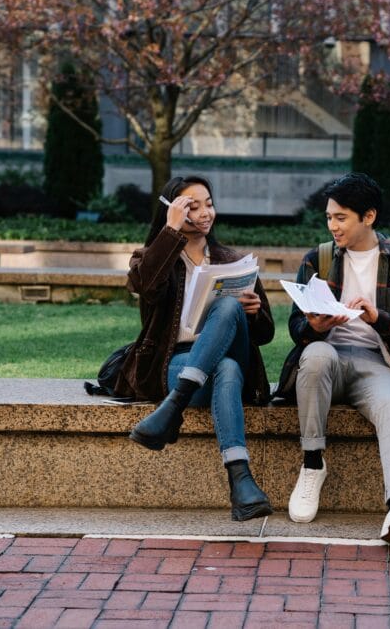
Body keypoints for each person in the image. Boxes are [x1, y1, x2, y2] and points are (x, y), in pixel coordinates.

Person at [275, 173, 390, 545]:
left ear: (368, 217)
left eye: (341, 217)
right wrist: (315, 325)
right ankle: (313, 464)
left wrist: (379, 318)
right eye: (329, 217)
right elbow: (295, 328)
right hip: (326, 357)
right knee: (314, 355)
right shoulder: (317, 258)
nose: (333, 225)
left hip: (375, 362)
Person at [116, 175, 274, 522]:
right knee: (227, 370)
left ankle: (173, 410)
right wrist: (170, 233)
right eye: (193, 205)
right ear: (173, 210)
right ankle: (241, 480)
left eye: (209, 203)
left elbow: (265, 335)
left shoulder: (232, 260)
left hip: (226, 353)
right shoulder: (151, 259)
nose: (206, 213)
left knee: (230, 309)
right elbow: (146, 289)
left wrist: (255, 312)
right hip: (175, 362)